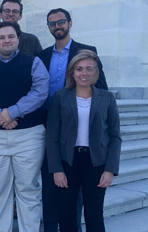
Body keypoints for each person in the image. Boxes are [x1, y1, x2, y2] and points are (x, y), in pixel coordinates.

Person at [0, 21, 49, 232]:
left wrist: (12, 112)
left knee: (28, 189)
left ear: (18, 39)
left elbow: (40, 91)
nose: (6, 40)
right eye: (1, 37)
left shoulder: (33, 63)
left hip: (28, 136)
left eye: (11, 36)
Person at [37, 7, 108, 232]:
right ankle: (50, 228)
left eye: (61, 22)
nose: (57, 26)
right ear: (48, 27)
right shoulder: (43, 55)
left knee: (74, 188)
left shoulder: (87, 52)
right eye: (52, 23)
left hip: (77, 124)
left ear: (70, 23)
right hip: (48, 123)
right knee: (50, 183)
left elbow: (102, 91)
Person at [46, 50, 121, 232]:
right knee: (67, 214)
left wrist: (110, 169)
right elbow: (52, 137)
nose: (84, 73)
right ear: (72, 72)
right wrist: (56, 169)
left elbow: (115, 136)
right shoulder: (61, 97)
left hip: (96, 163)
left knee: (94, 215)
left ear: (96, 72)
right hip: (68, 162)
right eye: (79, 69)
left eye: (89, 69)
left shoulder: (107, 98)